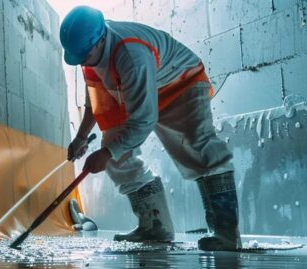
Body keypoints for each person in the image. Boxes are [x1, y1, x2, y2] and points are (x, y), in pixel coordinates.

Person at [60, 6, 241, 251]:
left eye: (84, 55)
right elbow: (95, 103)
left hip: (179, 82)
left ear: (101, 40)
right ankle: (155, 226)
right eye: (78, 56)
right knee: (117, 158)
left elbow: (144, 119)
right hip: (131, 89)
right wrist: (82, 137)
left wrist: (106, 153)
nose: (81, 60)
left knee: (198, 149)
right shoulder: (89, 55)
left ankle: (226, 234)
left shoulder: (130, 53)